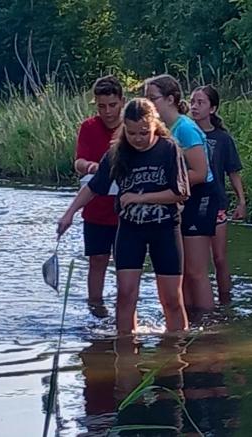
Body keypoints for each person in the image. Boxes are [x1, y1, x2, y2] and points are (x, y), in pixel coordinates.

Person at [58, 98, 191, 335]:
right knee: (126, 295)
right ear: (124, 129)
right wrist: (69, 214)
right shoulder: (117, 152)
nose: (138, 139)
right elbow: (93, 187)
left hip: (165, 229)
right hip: (130, 230)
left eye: (144, 133)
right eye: (131, 133)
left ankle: (176, 351)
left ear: (154, 126)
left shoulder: (168, 149)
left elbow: (180, 193)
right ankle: (126, 353)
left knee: (171, 297)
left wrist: (140, 198)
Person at [144, 74, 219, 313]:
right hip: (180, 198)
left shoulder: (185, 128)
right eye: (145, 98)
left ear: (170, 99)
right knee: (182, 269)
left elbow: (200, 171)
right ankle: (187, 320)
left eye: (152, 98)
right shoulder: (163, 129)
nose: (147, 104)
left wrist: (163, 189)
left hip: (200, 197)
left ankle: (208, 321)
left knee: (196, 271)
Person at [74, 75, 125, 316]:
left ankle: (124, 309)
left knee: (126, 266)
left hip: (125, 211)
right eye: (101, 106)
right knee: (97, 261)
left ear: (122, 102)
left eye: (112, 105)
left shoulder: (132, 127)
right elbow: (78, 161)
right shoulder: (89, 127)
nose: (107, 112)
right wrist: (90, 166)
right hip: (95, 207)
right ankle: (96, 308)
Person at [190, 85, 246, 304]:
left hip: (216, 203)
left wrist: (241, 201)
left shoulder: (222, 139)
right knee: (196, 261)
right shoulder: (185, 133)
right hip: (191, 203)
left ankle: (225, 300)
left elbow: (233, 171)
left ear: (212, 108)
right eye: (193, 102)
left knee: (220, 258)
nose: (194, 107)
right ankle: (199, 302)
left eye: (201, 102)